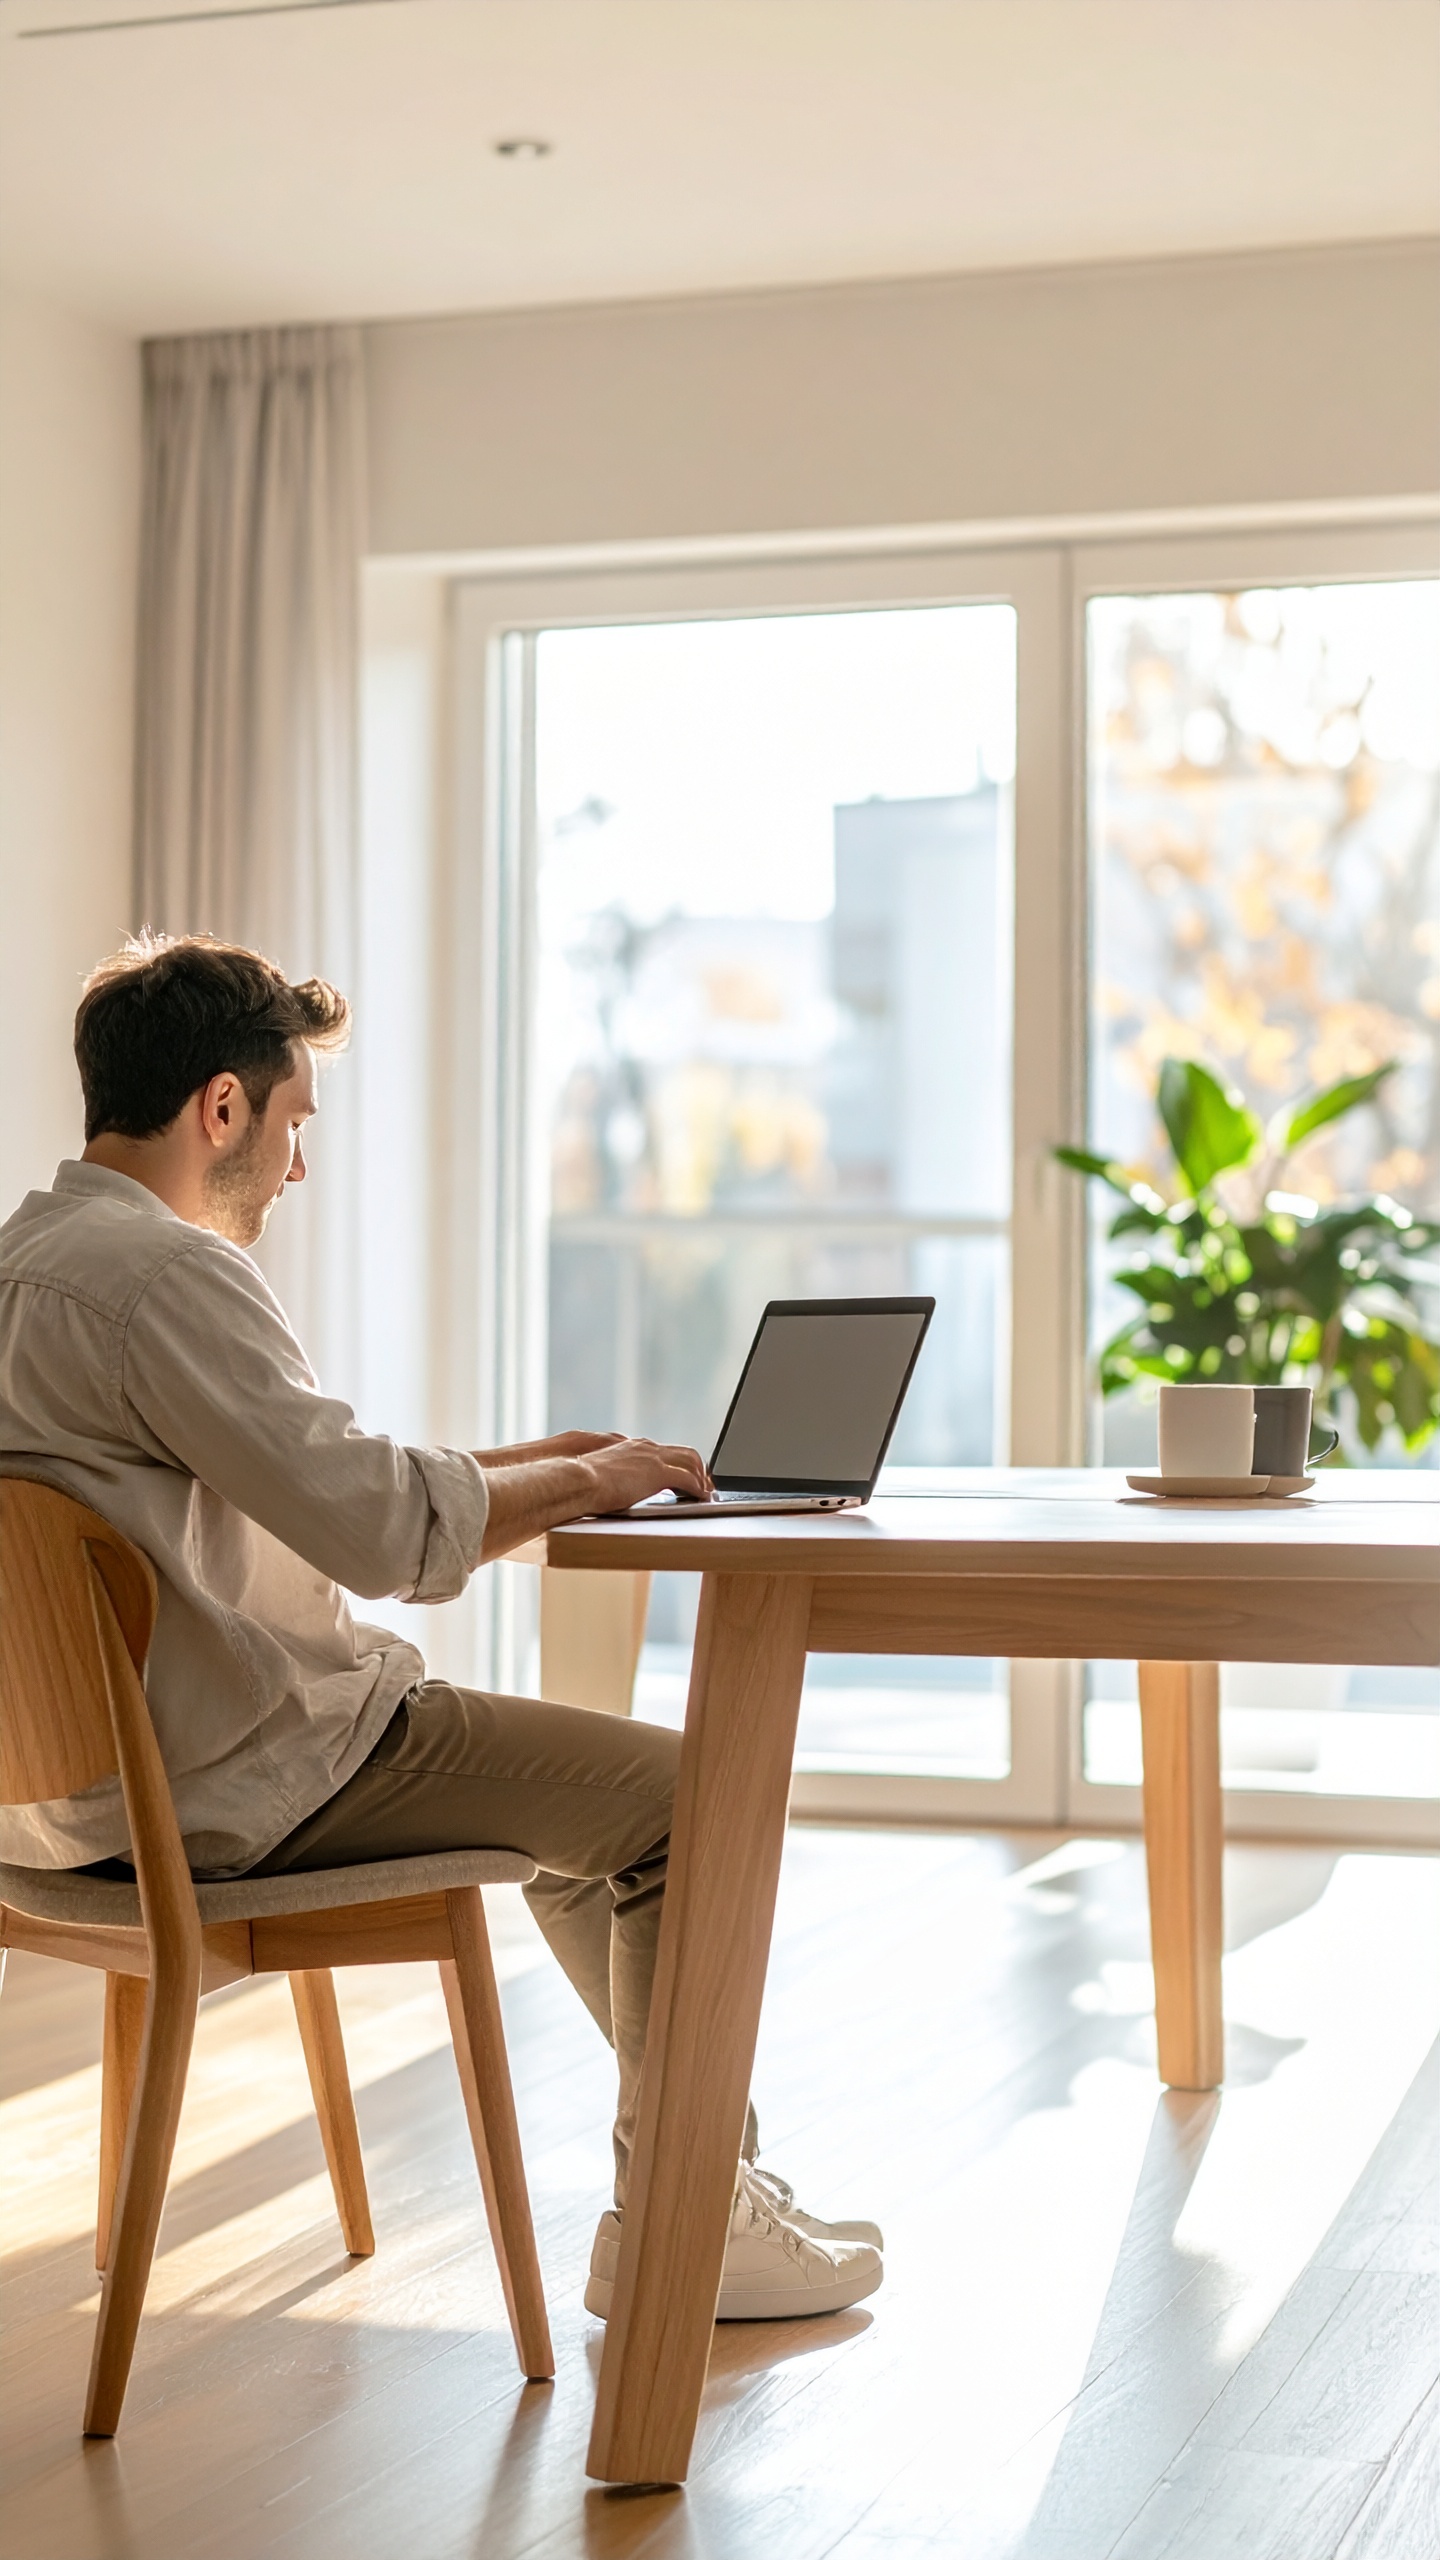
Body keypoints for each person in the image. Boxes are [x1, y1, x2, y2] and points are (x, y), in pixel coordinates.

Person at [0, 933, 882, 2322]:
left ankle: (701, 2186)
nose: (296, 1166)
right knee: (687, 1795)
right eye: (292, 1124)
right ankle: (687, 2222)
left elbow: (317, 1488)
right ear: (220, 1108)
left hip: (67, 1814)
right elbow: (375, 1533)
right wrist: (590, 1481)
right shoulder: (168, 1277)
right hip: (247, 1784)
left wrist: (540, 1464)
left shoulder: (29, 1264)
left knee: (582, 1815)